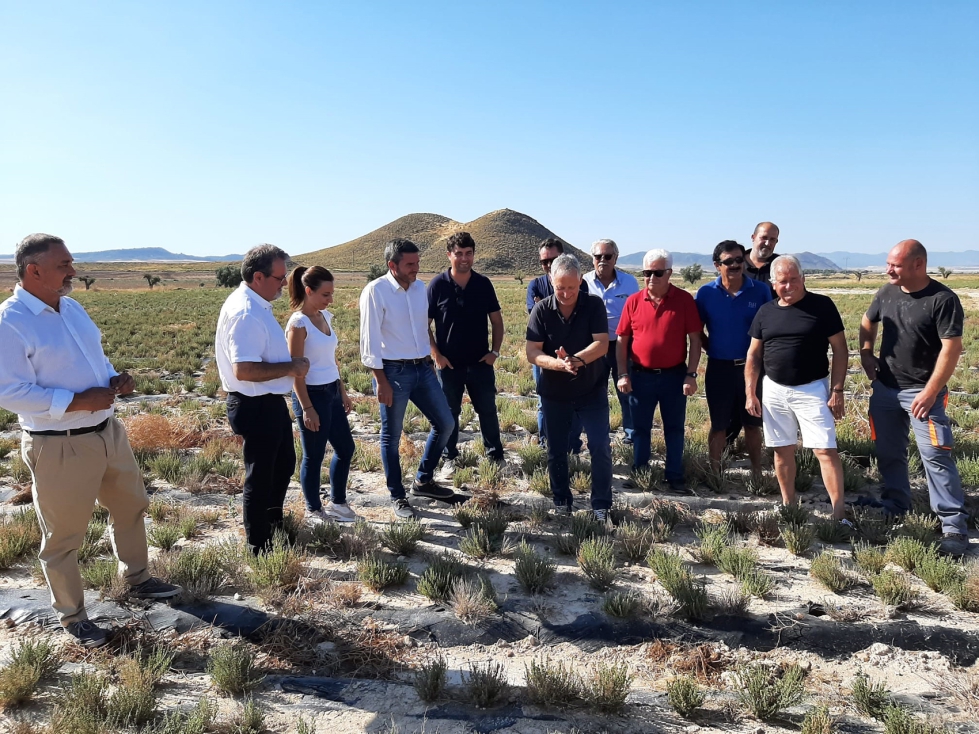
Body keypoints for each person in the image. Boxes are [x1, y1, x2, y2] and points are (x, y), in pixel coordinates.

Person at [0, 234, 181, 648]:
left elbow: (94, 359)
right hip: (59, 443)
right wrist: (76, 401)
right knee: (64, 536)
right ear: (34, 270)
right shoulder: (10, 322)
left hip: (107, 431)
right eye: (64, 265)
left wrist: (114, 378)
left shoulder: (72, 308)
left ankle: (136, 578)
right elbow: (7, 390)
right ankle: (72, 617)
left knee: (131, 505)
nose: (73, 271)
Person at [859, 240, 969, 556]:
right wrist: (866, 353)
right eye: (888, 263)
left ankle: (953, 528)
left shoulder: (943, 299)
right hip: (885, 390)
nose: (888, 269)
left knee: (936, 456)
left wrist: (931, 391)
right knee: (888, 450)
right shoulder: (886, 292)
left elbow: (952, 349)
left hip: (924, 394)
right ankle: (895, 504)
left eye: (895, 264)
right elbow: (868, 322)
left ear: (918, 264)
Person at [215, 244, 310, 555]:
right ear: (258, 276)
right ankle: (259, 544)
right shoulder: (245, 312)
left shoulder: (256, 305)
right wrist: (292, 367)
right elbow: (244, 369)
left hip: (268, 402)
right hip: (253, 403)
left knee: (282, 465)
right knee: (261, 475)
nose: (284, 284)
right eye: (279, 277)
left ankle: (272, 523)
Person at [745, 255, 849, 523]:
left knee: (825, 450)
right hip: (774, 390)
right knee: (782, 449)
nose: (788, 286)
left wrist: (837, 390)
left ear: (803, 279)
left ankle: (839, 514)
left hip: (812, 389)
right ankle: (789, 505)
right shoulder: (766, 312)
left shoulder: (822, 306)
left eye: (794, 280)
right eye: (782, 281)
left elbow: (840, 350)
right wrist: (751, 392)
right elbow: (754, 356)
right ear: (773, 283)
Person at [360, 239, 456, 518]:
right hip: (393, 371)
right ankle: (397, 496)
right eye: (410, 264)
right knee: (391, 437)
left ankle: (423, 480)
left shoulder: (419, 289)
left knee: (446, 424)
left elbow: (422, 328)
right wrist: (380, 380)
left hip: (423, 368)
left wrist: (431, 354)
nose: (417, 268)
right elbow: (369, 341)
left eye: (417, 262)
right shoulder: (375, 291)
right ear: (393, 265)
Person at [526, 254, 612, 521]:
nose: (565, 293)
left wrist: (576, 360)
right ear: (551, 281)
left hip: (591, 390)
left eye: (571, 288)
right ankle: (562, 500)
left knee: (599, 446)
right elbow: (532, 352)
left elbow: (602, 343)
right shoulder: (541, 310)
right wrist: (558, 364)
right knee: (556, 449)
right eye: (560, 287)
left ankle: (601, 506)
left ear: (580, 283)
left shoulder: (594, 305)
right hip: (555, 392)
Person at [617, 249, 702, 494]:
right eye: (647, 273)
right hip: (640, 376)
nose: (651, 278)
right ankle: (640, 474)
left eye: (657, 272)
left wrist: (691, 374)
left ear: (669, 273)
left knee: (674, 429)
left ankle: (675, 477)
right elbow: (622, 340)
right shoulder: (633, 301)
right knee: (640, 428)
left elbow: (695, 340)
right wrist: (623, 373)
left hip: (674, 376)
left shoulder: (684, 300)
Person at [285, 265, 358, 525]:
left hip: (331, 392)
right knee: (314, 456)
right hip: (311, 395)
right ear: (308, 291)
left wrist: (342, 392)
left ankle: (338, 503)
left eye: (332, 294)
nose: (330, 299)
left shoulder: (325, 317)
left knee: (345, 448)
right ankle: (313, 510)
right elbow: (296, 371)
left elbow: (331, 359)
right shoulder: (298, 324)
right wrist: (307, 408)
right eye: (325, 294)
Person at [427, 232, 505, 467]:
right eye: (458, 253)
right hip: (449, 365)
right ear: (449, 255)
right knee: (449, 414)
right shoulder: (437, 285)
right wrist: (436, 355)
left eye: (468, 253)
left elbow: (497, 322)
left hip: (481, 363)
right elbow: (424, 325)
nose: (464, 258)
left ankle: (495, 456)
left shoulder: (483, 284)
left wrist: (495, 352)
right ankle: (449, 457)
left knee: (488, 411)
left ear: (473, 255)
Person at [696, 240, 773, 474]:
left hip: (753, 369)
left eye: (740, 260)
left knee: (752, 423)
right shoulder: (706, 293)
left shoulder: (760, 291)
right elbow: (696, 330)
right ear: (717, 265)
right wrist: (712, 347)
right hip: (719, 368)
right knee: (718, 425)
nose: (735, 265)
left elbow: (771, 327)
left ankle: (757, 472)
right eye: (728, 261)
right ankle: (714, 473)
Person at [526, 238, 584, 450]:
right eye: (544, 261)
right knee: (544, 401)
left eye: (553, 259)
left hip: (575, 354)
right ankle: (546, 444)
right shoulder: (535, 284)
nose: (549, 265)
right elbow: (535, 314)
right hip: (543, 354)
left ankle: (573, 446)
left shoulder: (581, 284)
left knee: (576, 401)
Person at [583, 239, 639, 444]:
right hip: (594, 346)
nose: (603, 260)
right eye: (598, 256)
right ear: (592, 259)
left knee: (627, 391)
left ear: (616, 258)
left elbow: (636, 314)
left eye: (608, 256)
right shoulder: (584, 282)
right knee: (595, 394)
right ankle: (598, 436)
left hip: (621, 346)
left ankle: (632, 436)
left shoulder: (630, 282)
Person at [744, 221, 779, 286]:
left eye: (772, 239)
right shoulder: (737, 263)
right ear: (753, 237)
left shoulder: (780, 265)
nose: (767, 243)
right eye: (764, 238)